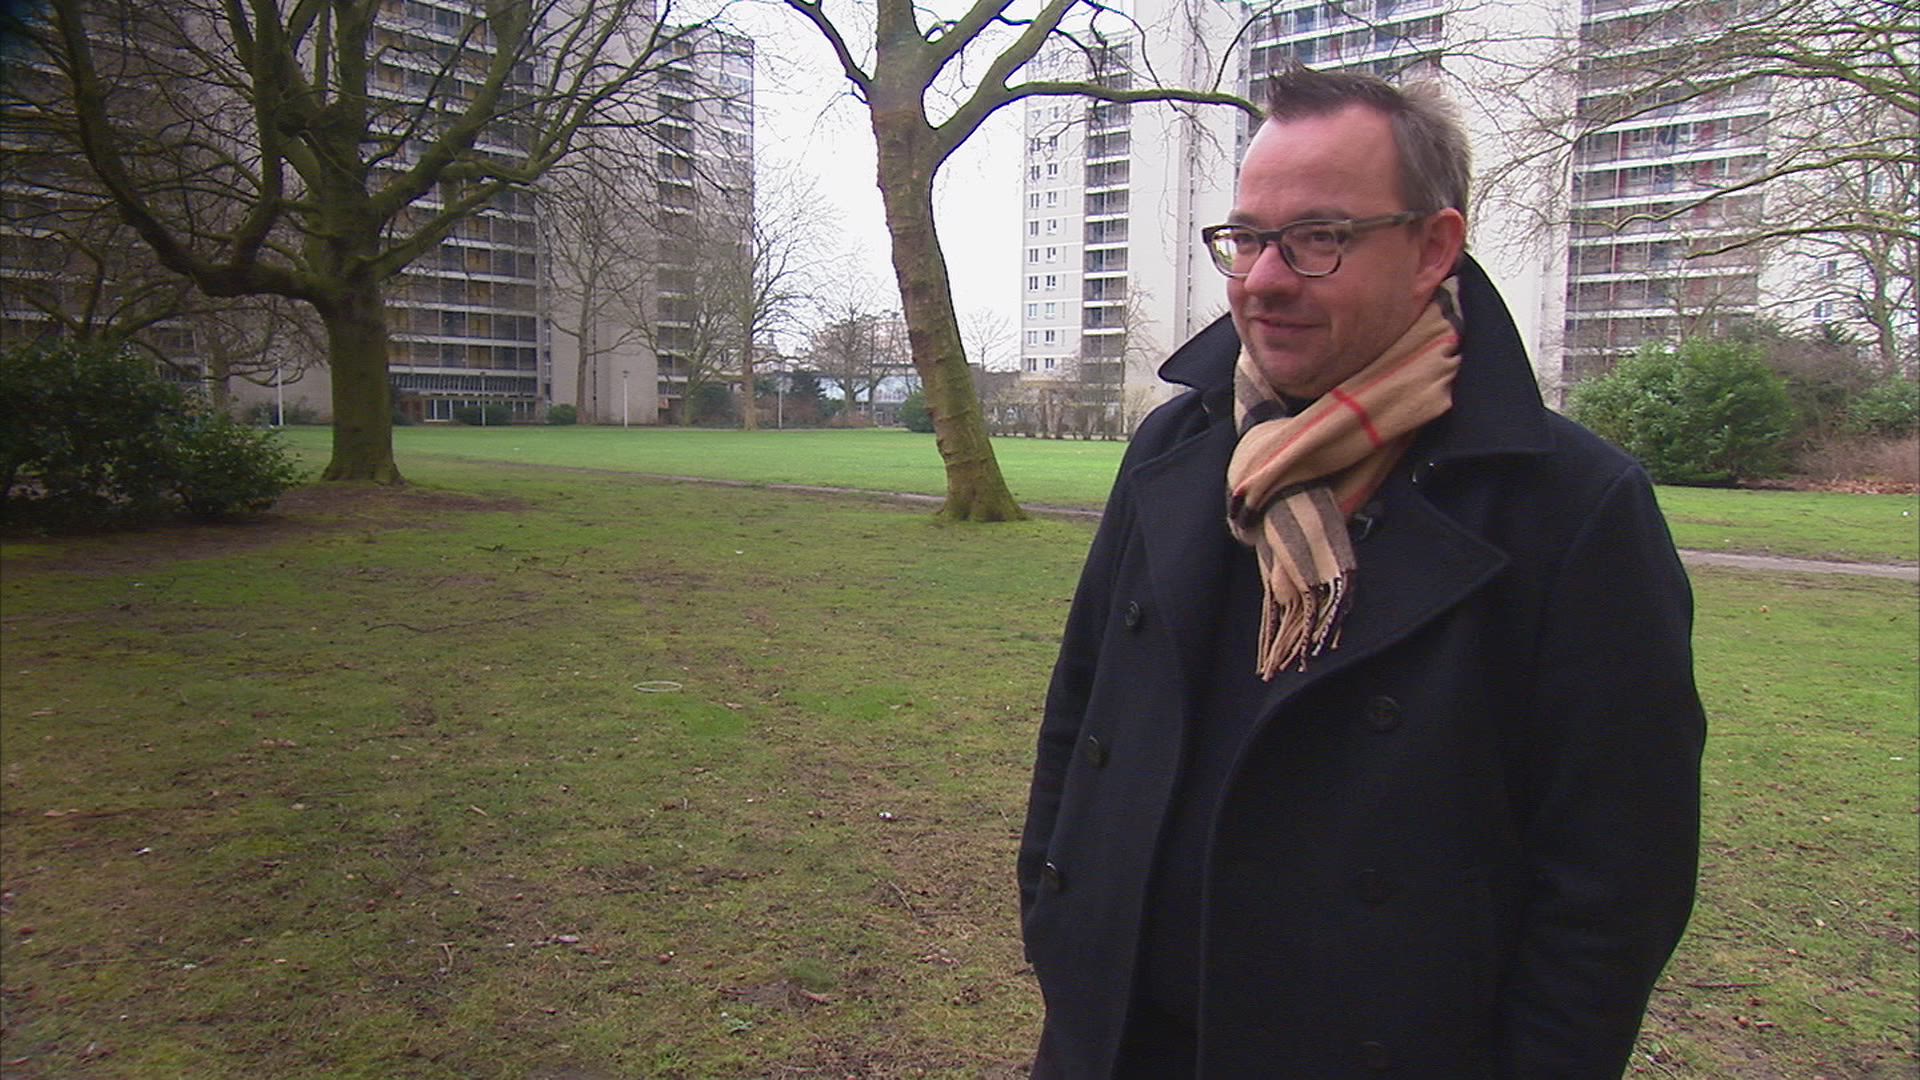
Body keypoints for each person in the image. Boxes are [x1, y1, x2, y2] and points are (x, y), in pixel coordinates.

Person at [1018, 66, 1705, 1079]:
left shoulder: (1571, 508)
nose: (1263, 279)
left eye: (1319, 238)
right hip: (1116, 1041)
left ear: (1435, 247)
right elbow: (1083, 711)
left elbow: (1616, 877)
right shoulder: (1179, 444)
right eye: (1247, 238)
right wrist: (1057, 919)